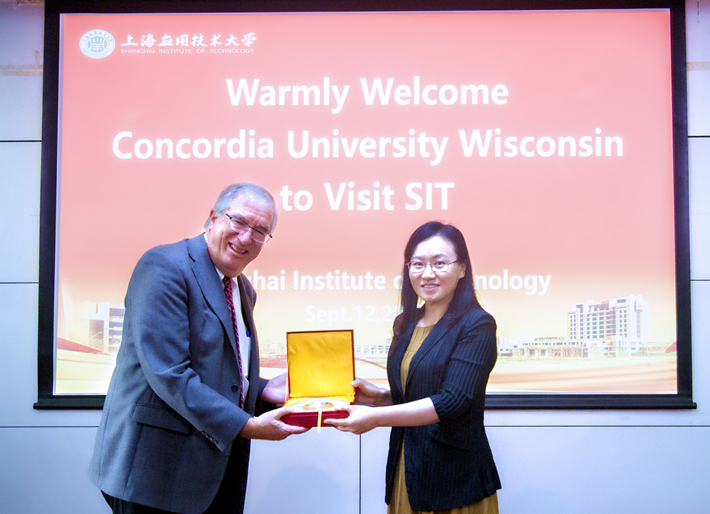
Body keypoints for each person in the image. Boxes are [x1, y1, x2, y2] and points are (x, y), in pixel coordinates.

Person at [89, 183, 306, 514]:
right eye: (239, 221)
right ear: (213, 218)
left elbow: (218, 369)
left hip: (211, 470)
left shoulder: (243, 289)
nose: (246, 237)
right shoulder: (165, 266)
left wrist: (263, 389)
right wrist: (246, 426)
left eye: (260, 231)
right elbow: (169, 373)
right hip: (155, 472)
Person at [327, 221, 501, 513]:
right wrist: (382, 398)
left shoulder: (477, 324)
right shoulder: (405, 323)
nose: (427, 273)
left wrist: (376, 418)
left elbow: (452, 401)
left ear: (462, 268)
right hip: (408, 468)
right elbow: (420, 392)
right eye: (418, 264)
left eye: (439, 263)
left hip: (455, 480)